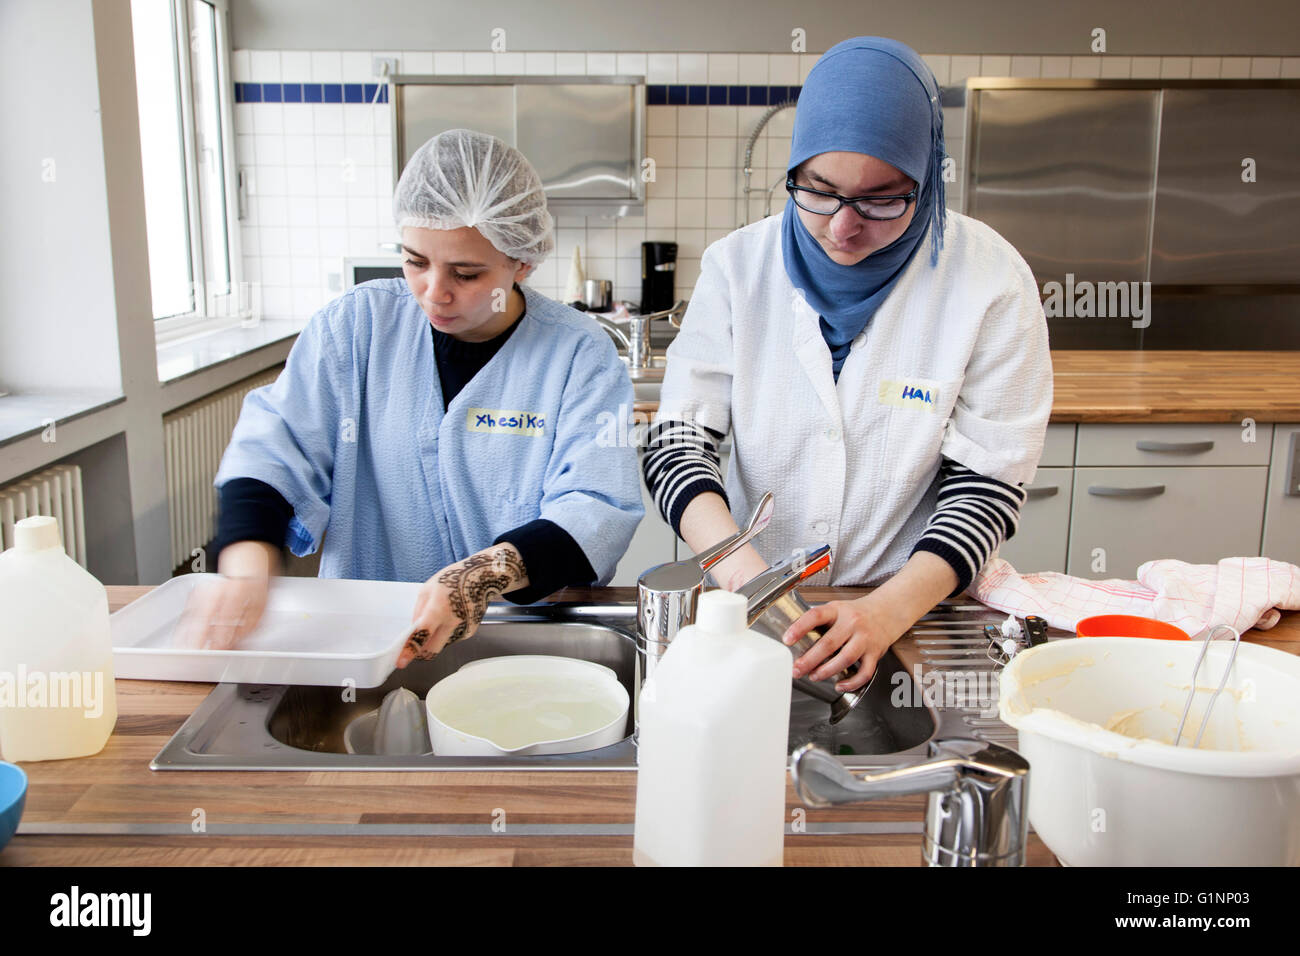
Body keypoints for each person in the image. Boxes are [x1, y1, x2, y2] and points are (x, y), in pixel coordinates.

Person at [643, 37, 1053, 692]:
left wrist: (886, 609)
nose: (842, 228)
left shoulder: (991, 283)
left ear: (926, 181)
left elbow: (988, 485)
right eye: (820, 191)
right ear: (796, 168)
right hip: (750, 599)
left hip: (912, 607)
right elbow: (678, 445)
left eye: (881, 200)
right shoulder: (737, 270)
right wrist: (754, 588)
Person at [183, 129, 643, 665]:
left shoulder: (576, 353)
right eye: (415, 261)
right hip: (372, 642)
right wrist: (246, 552)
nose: (433, 292)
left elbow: (596, 505)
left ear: (523, 263)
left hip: (519, 639)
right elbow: (277, 443)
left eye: (466, 273)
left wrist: (478, 577)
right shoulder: (356, 327)